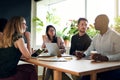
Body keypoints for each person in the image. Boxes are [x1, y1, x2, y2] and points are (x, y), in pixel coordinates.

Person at [78, 14, 120, 80]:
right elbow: (90, 49)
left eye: (96, 21)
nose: (94, 23)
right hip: (98, 68)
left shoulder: (116, 36)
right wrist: (83, 54)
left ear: (104, 23)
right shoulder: (96, 37)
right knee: (85, 77)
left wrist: (106, 58)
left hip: (113, 69)